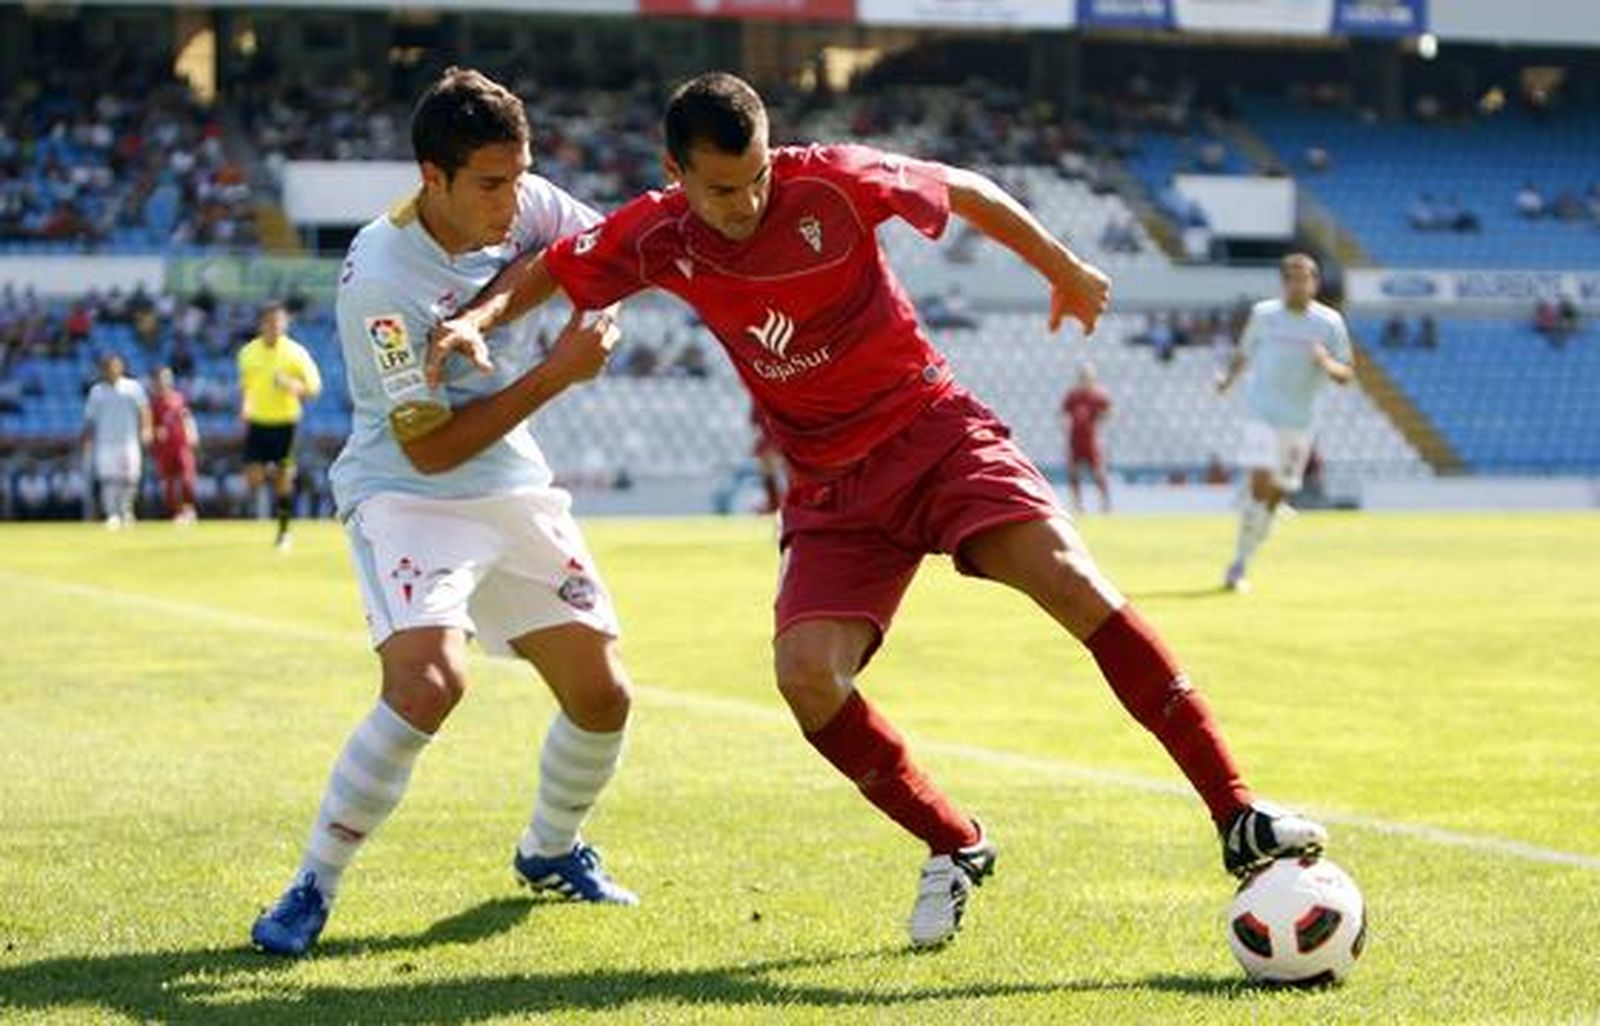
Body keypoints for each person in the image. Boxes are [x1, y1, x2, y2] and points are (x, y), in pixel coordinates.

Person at [431, 72, 1328, 949]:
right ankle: (954, 842)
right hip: (831, 493)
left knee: (1070, 580)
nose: (744, 206)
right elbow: (552, 267)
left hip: (935, 435)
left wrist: (1061, 266)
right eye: (720, 191)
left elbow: (965, 189)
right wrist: (480, 320)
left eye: (755, 182)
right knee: (805, 676)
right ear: (676, 175)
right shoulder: (656, 233)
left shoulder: (830, 177)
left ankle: (1236, 812)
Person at [250, 67, 638, 958]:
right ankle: (314, 883)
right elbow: (429, 449)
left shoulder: (525, 196)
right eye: (491, 186)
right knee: (431, 682)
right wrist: (556, 371)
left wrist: (582, 303)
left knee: (603, 695)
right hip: (409, 491)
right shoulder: (382, 282)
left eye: (520, 176)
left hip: (510, 480)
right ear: (434, 178)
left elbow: (606, 252)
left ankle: (550, 851)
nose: (516, 202)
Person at [1215, 253, 1355, 591]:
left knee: (1275, 495)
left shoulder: (1329, 323)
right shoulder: (1264, 316)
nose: (1297, 284)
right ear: (1283, 283)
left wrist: (1325, 362)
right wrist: (1227, 381)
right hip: (1261, 412)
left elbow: (1346, 373)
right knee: (1260, 481)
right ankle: (1238, 563)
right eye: (1291, 278)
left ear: (1315, 283)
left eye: (1304, 278)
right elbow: (1244, 353)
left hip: (1300, 421)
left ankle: (1248, 548)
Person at [237, 300, 322, 549]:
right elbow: (247, 386)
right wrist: (245, 405)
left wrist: (292, 385)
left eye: (278, 321)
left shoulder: (296, 353)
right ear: (261, 324)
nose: (274, 326)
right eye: (269, 321)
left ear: (285, 323)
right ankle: (268, 484)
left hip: (286, 422)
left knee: (284, 478)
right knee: (253, 476)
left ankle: (284, 531)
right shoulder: (248, 353)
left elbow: (315, 389)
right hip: (258, 421)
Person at [81, 352, 150, 528]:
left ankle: (126, 511)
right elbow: (90, 420)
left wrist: (146, 429)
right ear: (103, 369)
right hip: (105, 442)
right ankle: (112, 514)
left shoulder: (133, 387)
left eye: (116, 365)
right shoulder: (97, 392)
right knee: (109, 480)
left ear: (121, 367)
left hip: (128, 441)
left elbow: (144, 410)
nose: (112, 369)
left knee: (130, 478)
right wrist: (88, 440)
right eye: (109, 366)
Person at [149, 366, 199, 522]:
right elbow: (150, 425)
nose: (164, 382)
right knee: (169, 482)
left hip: (181, 445)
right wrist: (155, 433)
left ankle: (189, 509)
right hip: (164, 448)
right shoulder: (153, 403)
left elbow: (186, 417)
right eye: (160, 378)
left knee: (187, 479)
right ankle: (176, 514)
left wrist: (192, 432)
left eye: (167, 378)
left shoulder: (179, 398)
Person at [1061, 363, 1112, 514]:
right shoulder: (1073, 396)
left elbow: (1109, 411)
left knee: (1098, 472)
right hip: (1075, 440)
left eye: (1088, 377)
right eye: (1083, 377)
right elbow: (1063, 414)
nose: (1085, 380)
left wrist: (1101, 419)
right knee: (1074, 473)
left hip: (1091, 440)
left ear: (1093, 379)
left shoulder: (1098, 396)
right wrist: (1065, 427)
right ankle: (1077, 505)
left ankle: (1104, 504)